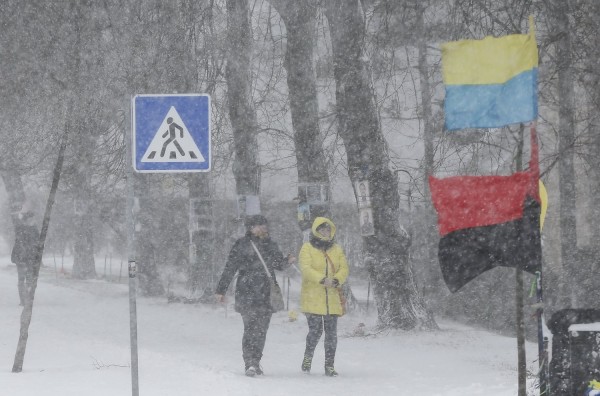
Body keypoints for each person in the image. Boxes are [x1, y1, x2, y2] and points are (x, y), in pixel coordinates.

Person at [215, 214, 295, 377]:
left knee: (262, 330)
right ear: (251, 228)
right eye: (259, 225)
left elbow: (278, 264)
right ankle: (249, 362)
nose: (263, 228)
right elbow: (230, 267)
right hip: (247, 291)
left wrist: (287, 260)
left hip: (266, 293)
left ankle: (256, 361)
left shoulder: (270, 244)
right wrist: (221, 290)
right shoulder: (242, 244)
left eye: (264, 225)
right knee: (250, 328)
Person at [299, 217, 349, 377]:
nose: (325, 232)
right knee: (315, 331)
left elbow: (344, 268)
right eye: (322, 229)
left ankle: (329, 365)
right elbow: (305, 268)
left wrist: (336, 279)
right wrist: (322, 279)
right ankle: (308, 358)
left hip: (332, 299)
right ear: (315, 230)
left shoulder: (337, 249)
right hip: (313, 297)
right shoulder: (307, 248)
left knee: (331, 334)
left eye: (328, 229)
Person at [11, 211, 40, 306]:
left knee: (29, 278)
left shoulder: (34, 229)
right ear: (27, 219)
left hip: (30, 257)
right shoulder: (20, 228)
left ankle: (27, 298)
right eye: (31, 218)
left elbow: (38, 242)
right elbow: (20, 242)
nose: (33, 220)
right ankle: (23, 300)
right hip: (21, 257)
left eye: (33, 219)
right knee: (22, 278)